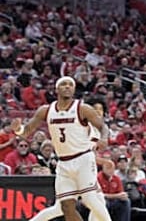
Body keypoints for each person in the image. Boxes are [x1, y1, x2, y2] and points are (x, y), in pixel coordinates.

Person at [11, 76, 112, 221]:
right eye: (64, 84)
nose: (67, 86)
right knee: (65, 206)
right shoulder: (46, 110)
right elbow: (26, 131)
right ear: (56, 89)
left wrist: (104, 138)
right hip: (63, 162)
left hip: (83, 159)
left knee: (90, 199)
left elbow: (103, 127)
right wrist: (17, 129)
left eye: (71, 84)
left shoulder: (82, 108)